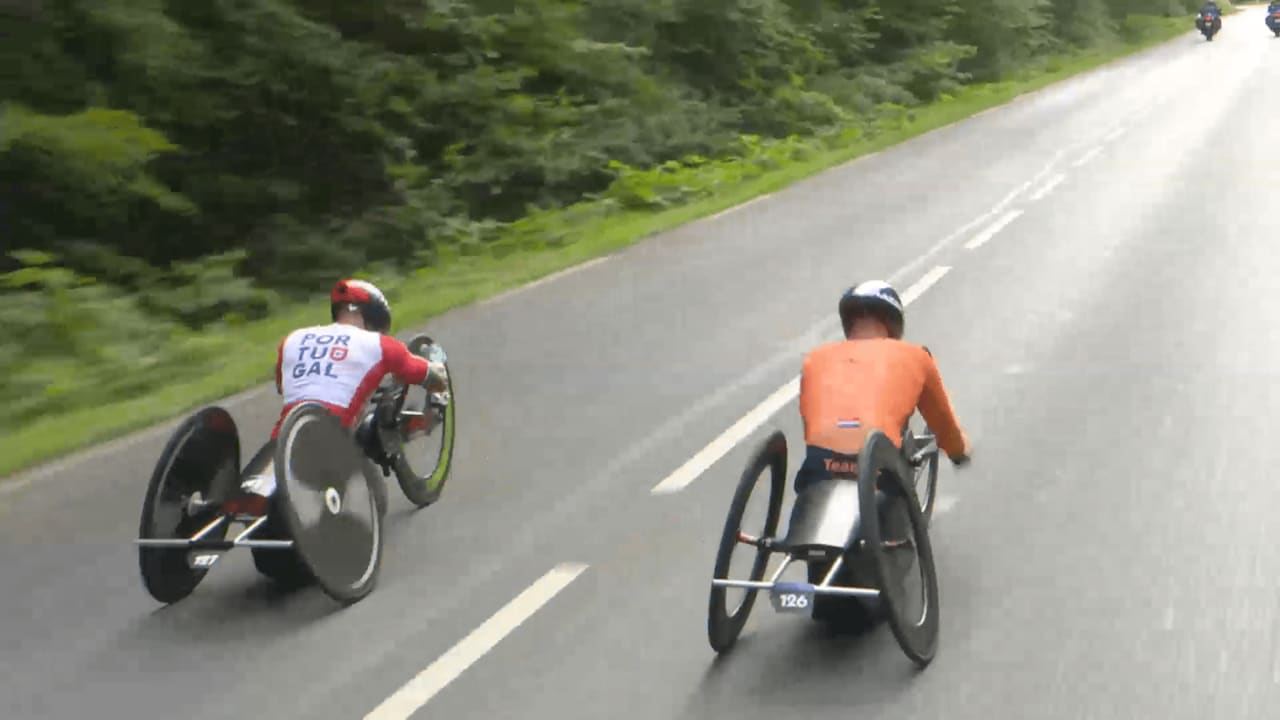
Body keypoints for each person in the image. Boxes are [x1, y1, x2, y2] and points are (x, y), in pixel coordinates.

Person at [230, 278, 449, 513]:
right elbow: (434, 378)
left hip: (283, 444)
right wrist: (439, 392)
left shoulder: (291, 340)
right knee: (376, 495)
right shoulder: (382, 345)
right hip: (331, 448)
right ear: (375, 319)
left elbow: (284, 387)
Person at [794, 280, 972, 494]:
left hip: (819, 468)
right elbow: (942, 419)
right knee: (905, 518)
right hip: (878, 469)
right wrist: (958, 453)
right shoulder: (916, 356)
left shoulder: (815, 359)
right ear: (893, 322)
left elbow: (811, 420)